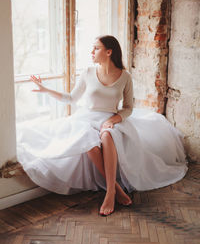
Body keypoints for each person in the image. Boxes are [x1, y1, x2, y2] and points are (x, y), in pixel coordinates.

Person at [17, 35, 188, 216]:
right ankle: (113, 189)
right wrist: (45, 89)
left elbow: (129, 108)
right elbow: (71, 98)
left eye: (96, 48)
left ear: (109, 52)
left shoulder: (125, 77)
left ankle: (111, 192)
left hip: (111, 118)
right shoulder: (88, 73)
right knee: (87, 140)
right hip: (86, 118)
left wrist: (113, 120)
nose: (92, 52)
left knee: (107, 135)